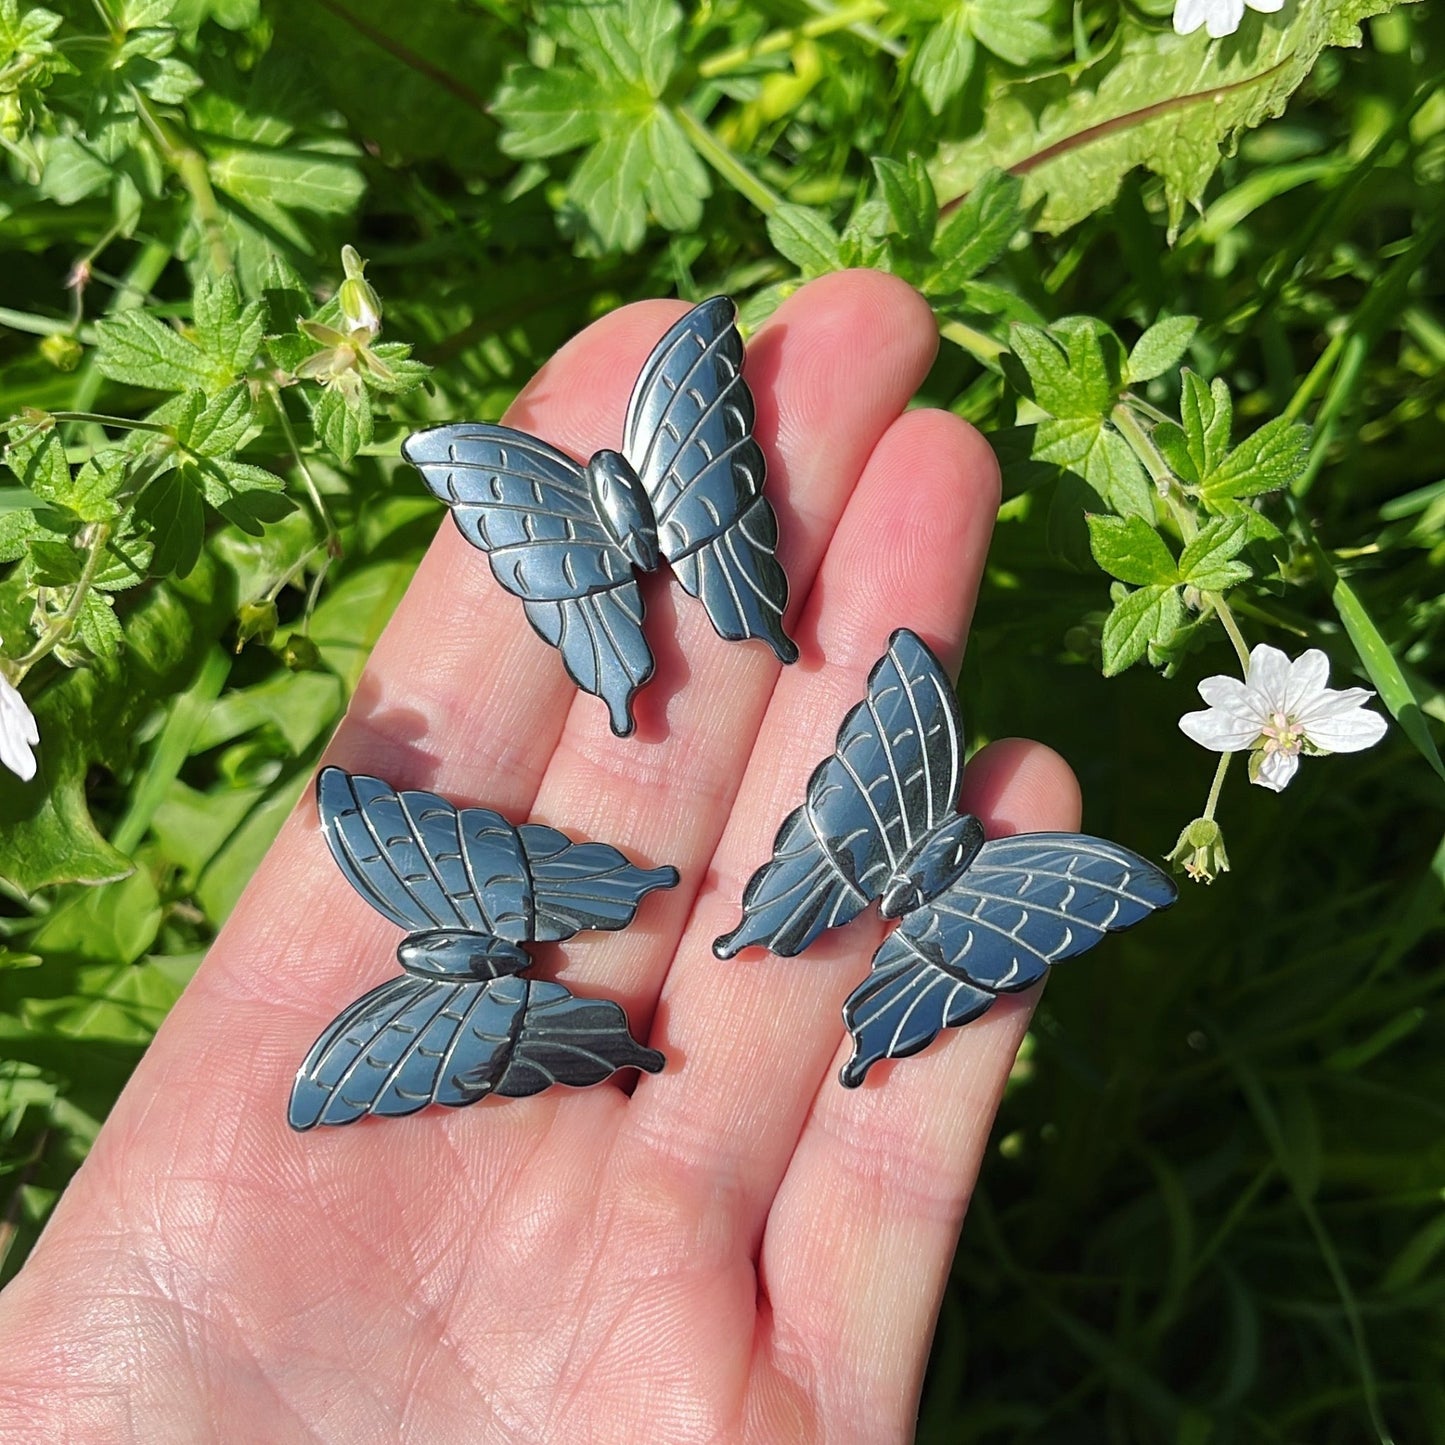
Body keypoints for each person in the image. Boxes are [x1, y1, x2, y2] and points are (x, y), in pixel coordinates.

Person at [0, 270, 1079, 1442]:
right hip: (574, 824)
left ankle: (651, 851)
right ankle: (652, 867)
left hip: (558, 815)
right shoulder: (382, 870)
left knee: (637, 853)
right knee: (634, 889)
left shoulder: (383, 885)